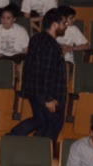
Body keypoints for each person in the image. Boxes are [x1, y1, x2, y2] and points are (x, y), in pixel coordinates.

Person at [9, 8, 67, 140]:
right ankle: (40, 153)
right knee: (53, 125)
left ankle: (12, 137)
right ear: (55, 25)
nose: (65, 27)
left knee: (40, 120)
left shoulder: (36, 39)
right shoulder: (51, 45)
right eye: (64, 23)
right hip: (46, 95)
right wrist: (48, 99)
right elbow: (46, 72)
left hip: (34, 91)